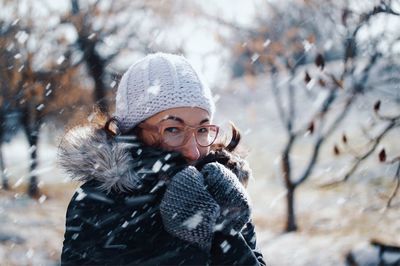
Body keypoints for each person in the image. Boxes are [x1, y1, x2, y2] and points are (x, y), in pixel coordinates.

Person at [59, 53, 266, 265]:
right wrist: (184, 246)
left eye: (202, 129)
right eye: (173, 129)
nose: (193, 151)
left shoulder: (219, 188)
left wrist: (222, 232)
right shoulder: (98, 202)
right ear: (133, 132)